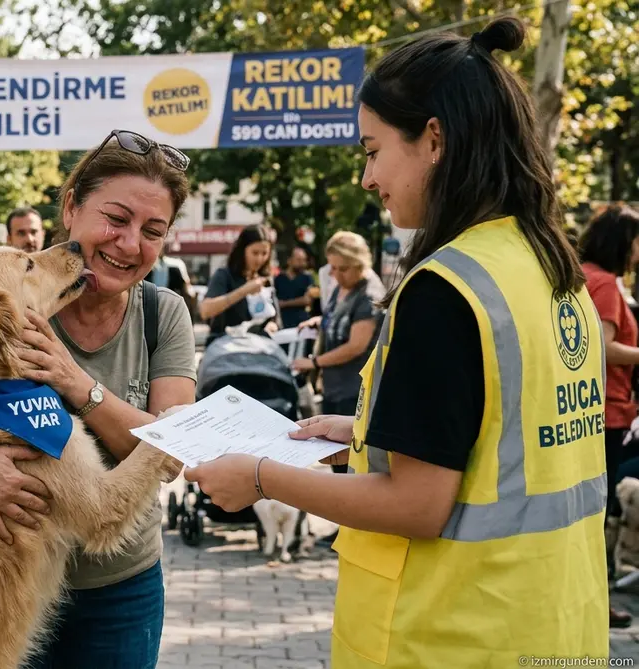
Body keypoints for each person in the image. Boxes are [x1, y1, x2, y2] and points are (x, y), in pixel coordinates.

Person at [182, 19, 608, 667]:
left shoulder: (445, 287)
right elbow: (503, 441)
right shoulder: (552, 267)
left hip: (445, 634)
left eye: (372, 149)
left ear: (433, 139)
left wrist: (262, 477)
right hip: (553, 622)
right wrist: (366, 433)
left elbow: (418, 503)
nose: (365, 177)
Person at [0, 128, 197, 669]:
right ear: (71, 207)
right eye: (115, 219)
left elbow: (176, 446)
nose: (130, 243)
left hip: (119, 587)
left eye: (153, 231)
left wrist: (80, 387)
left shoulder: (163, 314)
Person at [578, 204, 639, 628]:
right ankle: (595, 601)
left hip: (596, 410)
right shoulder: (604, 284)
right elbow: (600, 345)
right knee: (597, 513)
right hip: (608, 412)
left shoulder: (585, 275)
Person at [292, 232, 383, 474]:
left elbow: (356, 345)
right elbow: (339, 319)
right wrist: (319, 321)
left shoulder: (369, 295)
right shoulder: (342, 287)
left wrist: (314, 362)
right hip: (335, 387)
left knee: (349, 471)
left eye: (341, 269)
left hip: (354, 392)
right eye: (332, 268)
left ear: (359, 264)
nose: (334, 275)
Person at [198, 224, 280, 345]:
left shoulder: (266, 280)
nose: (259, 259)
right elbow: (205, 311)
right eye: (255, 253)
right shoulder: (224, 275)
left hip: (258, 349)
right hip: (226, 348)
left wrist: (271, 327)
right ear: (242, 250)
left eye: (264, 253)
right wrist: (244, 291)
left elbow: (275, 319)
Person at [274, 246, 317, 328]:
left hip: (302, 323)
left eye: (304, 260)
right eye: (299, 260)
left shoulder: (307, 278)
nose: (302, 263)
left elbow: (307, 300)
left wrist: (284, 303)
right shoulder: (278, 279)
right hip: (283, 323)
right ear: (289, 260)